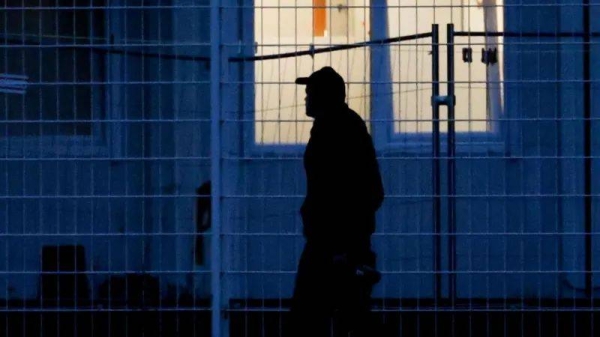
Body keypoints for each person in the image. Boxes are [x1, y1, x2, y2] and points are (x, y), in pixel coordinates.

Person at [289, 66, 384, 337]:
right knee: (346, 318)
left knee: (312, 319)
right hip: (338, 245)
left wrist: (340, 244)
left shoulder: (336, 131)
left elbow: (353, 192)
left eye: (310, 93)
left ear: (324, 96)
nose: (305, 98)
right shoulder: (340, 127)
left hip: (334, 247)